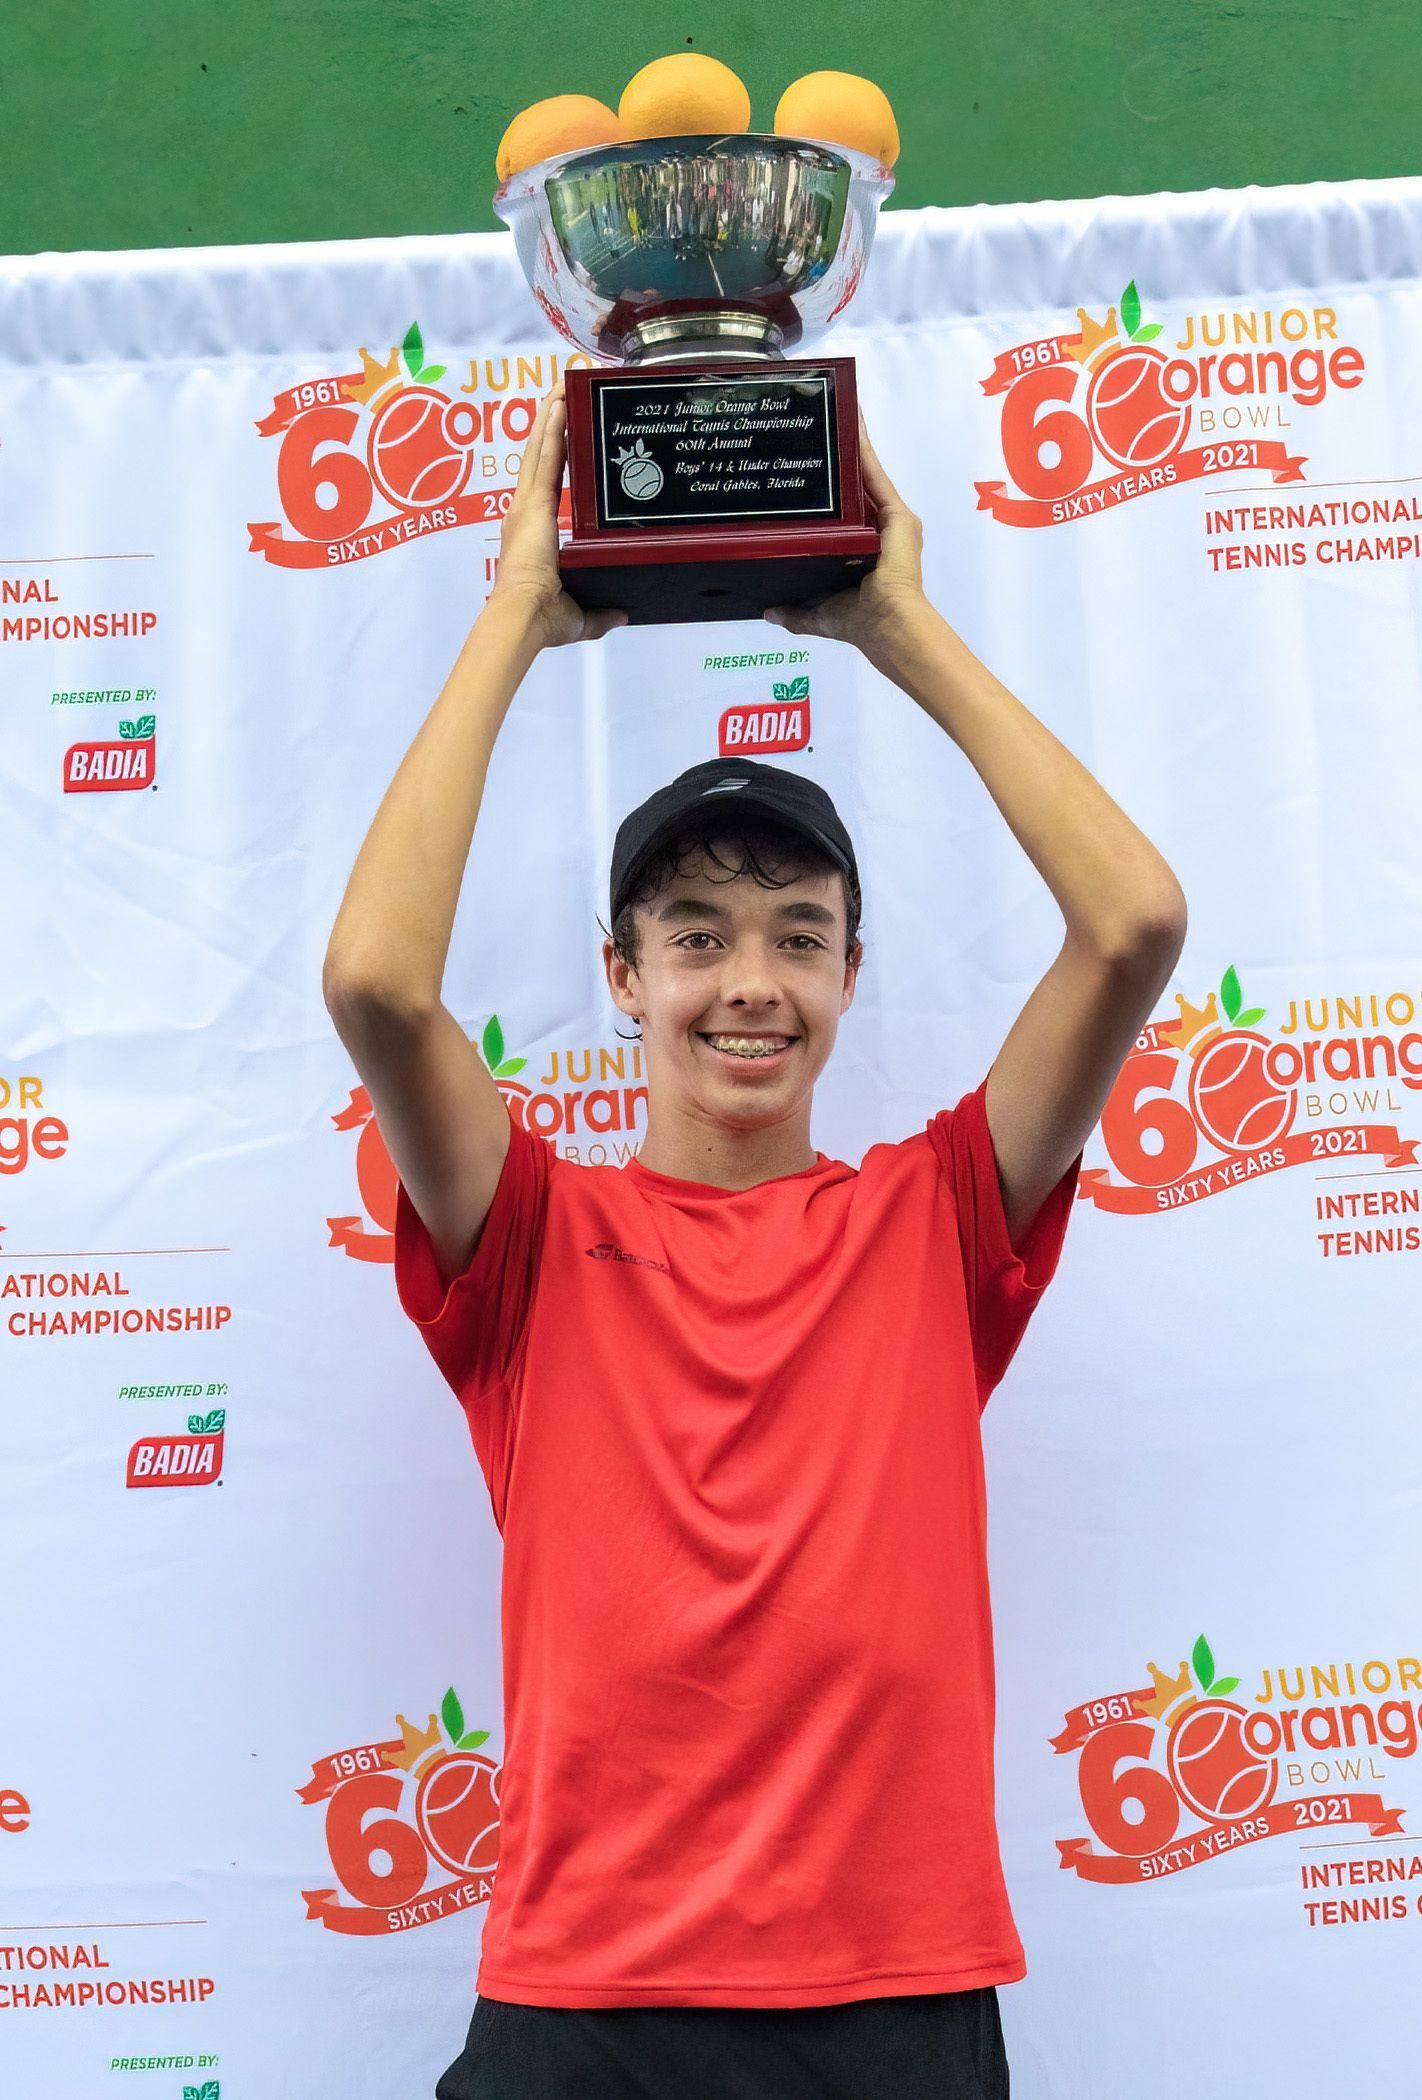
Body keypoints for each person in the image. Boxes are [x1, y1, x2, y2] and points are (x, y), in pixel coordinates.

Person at [322, 382, 1187, 2100]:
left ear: (851, 977)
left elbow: (1137, 920)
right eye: (697, 932)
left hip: (894, 2004)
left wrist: (897, 624)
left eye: (801, 935)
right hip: (590, 2007)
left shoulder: (938, 1220)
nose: (751, 982)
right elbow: (375, 987)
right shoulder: (527, 1232)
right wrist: (515, 610)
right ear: (624, 977)